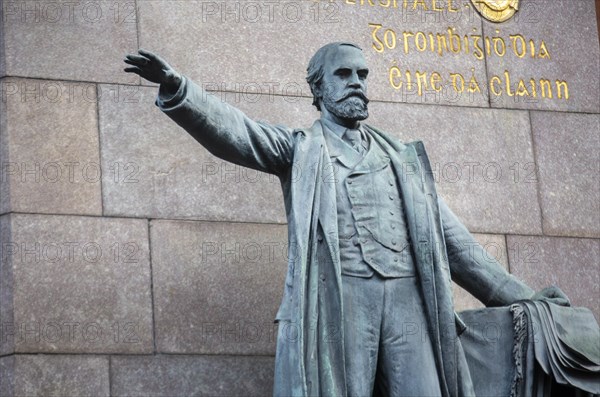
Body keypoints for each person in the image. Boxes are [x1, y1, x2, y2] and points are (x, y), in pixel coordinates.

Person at [124, 42, 569, 397]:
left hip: (408, 301)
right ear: (318, 90)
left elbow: (459, 249)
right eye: (343, 74)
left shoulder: (403, 160)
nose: (356, 82)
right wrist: (179, 89)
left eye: (362, 74)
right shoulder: (302, 150)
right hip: (342, 298)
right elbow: (240, 134)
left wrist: (527, 297)